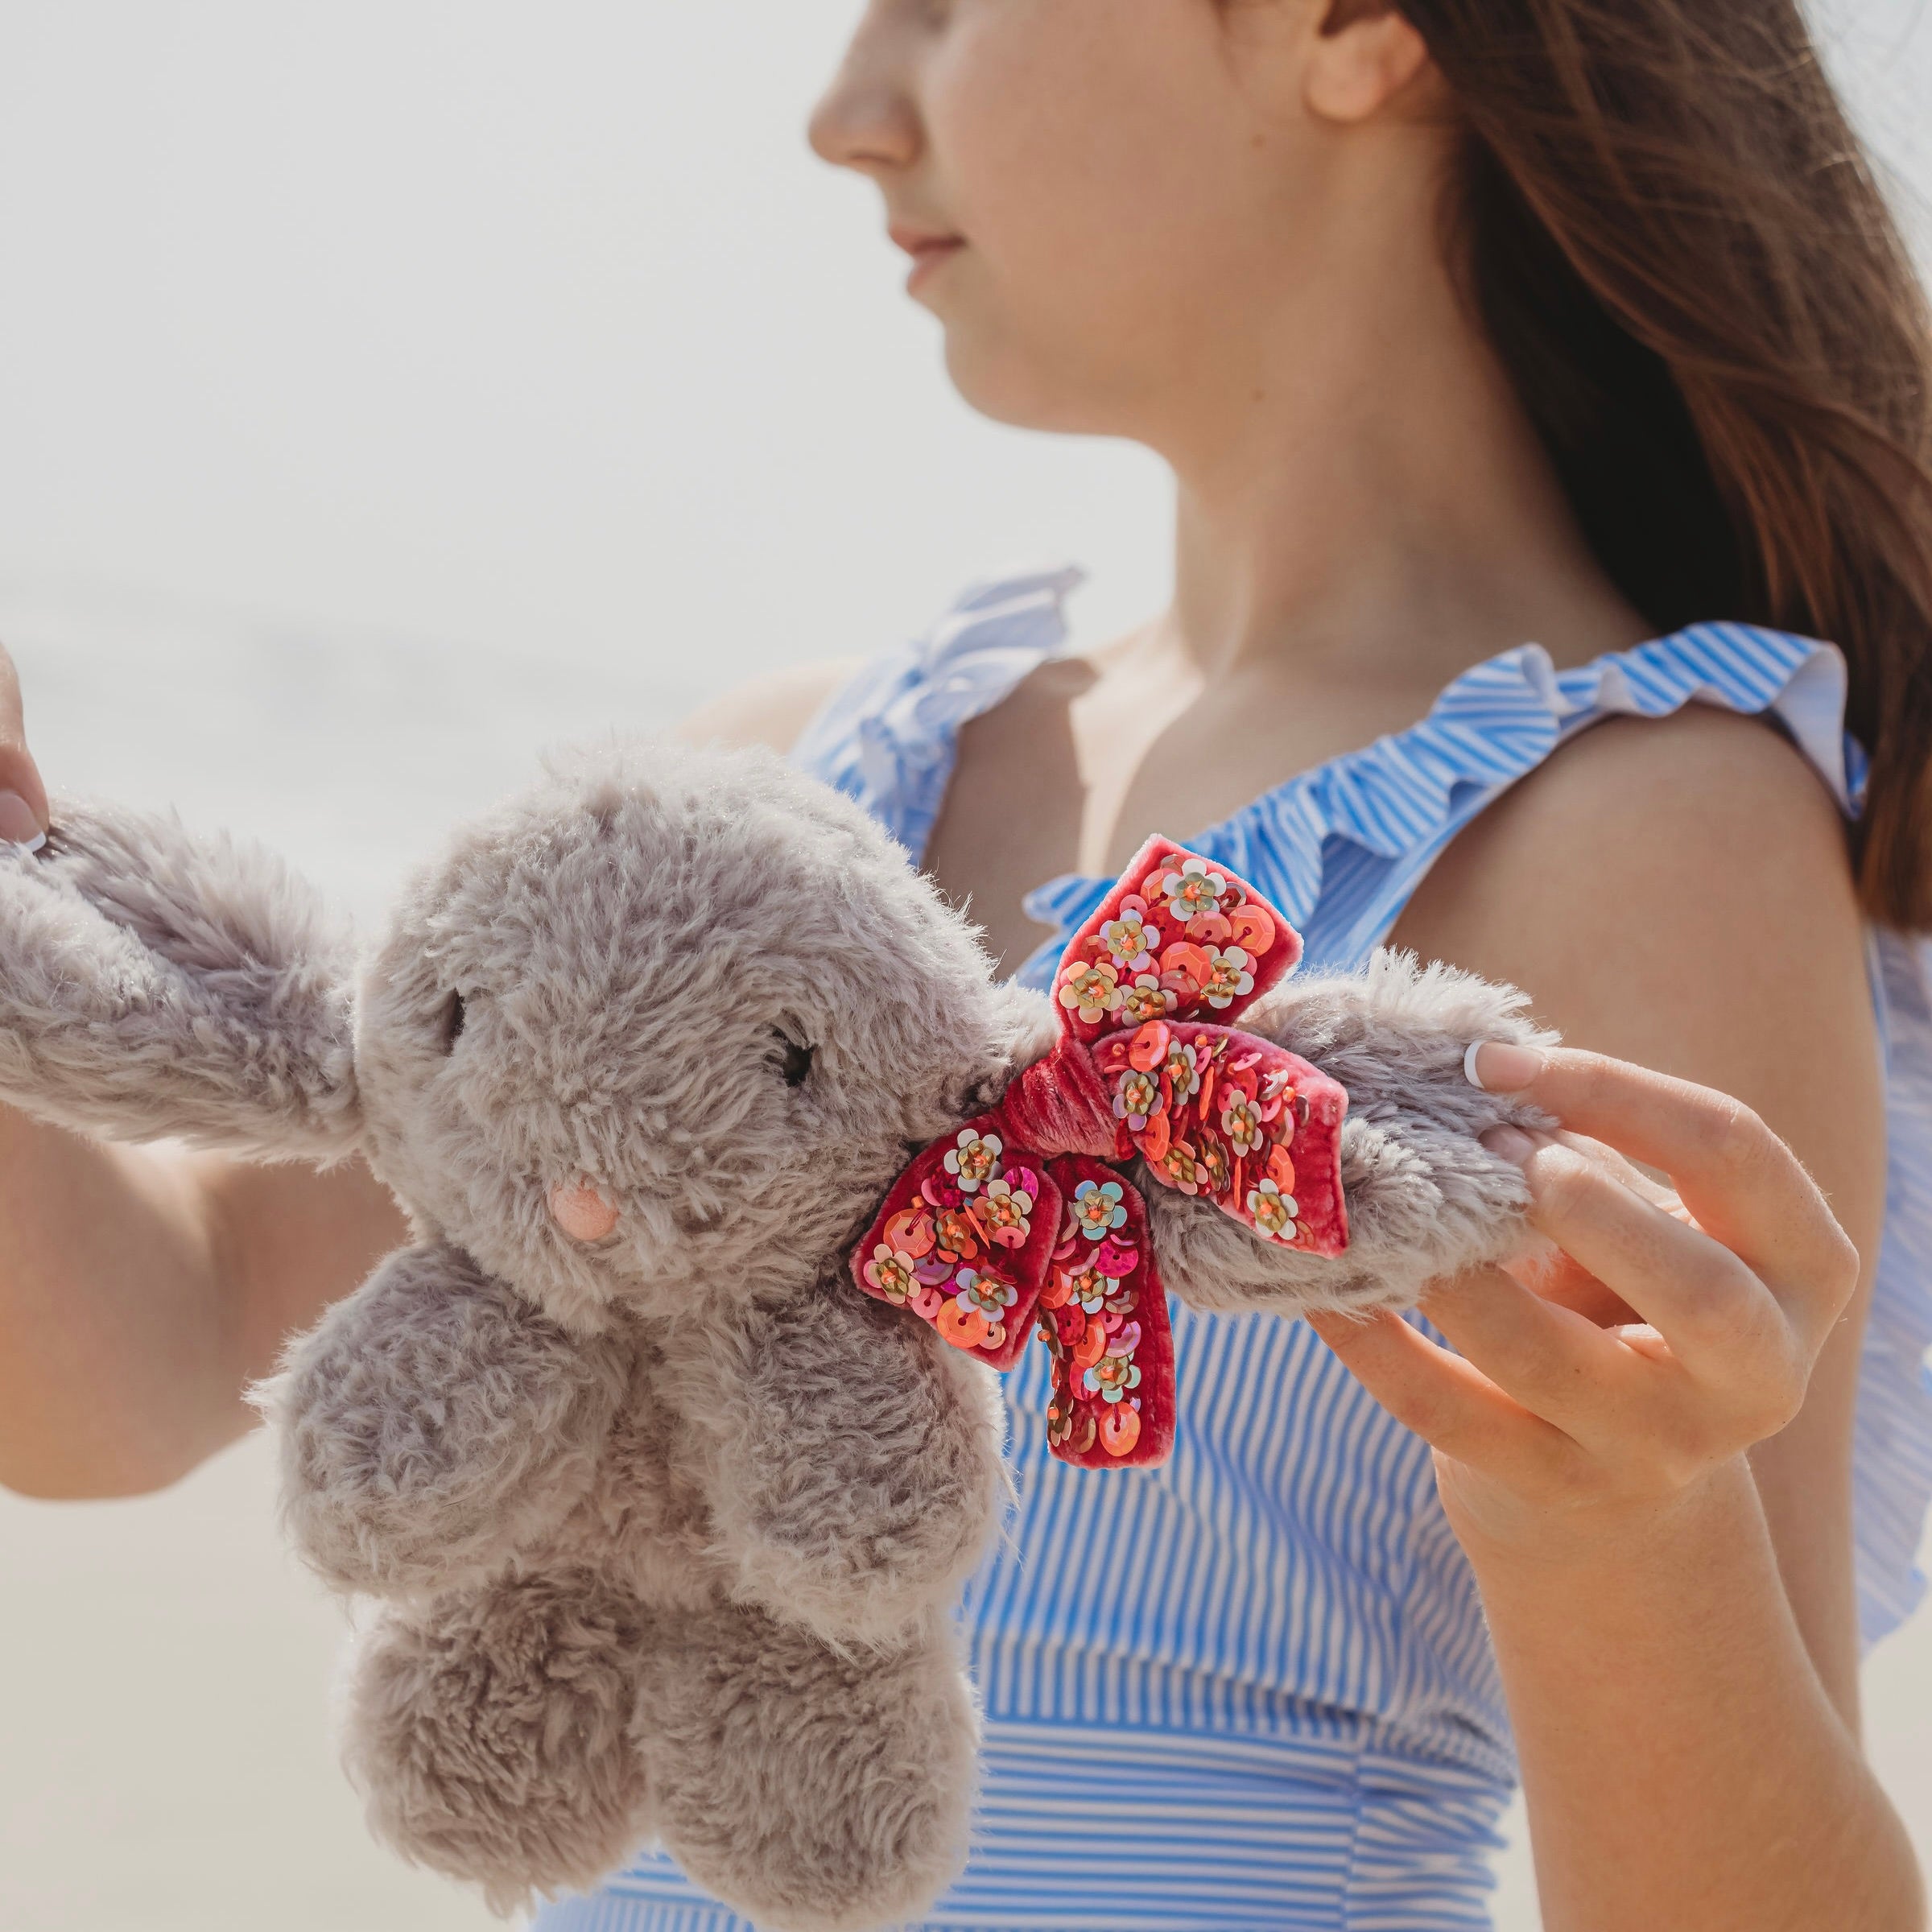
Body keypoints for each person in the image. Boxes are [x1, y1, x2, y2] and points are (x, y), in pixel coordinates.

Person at [2, 1, 1929, 1926]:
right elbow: (150, 1355)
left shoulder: (1635, 832)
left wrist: (1622, 1542)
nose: (846, 113)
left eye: (935, 4)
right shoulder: (774, 798)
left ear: (1350, 27)